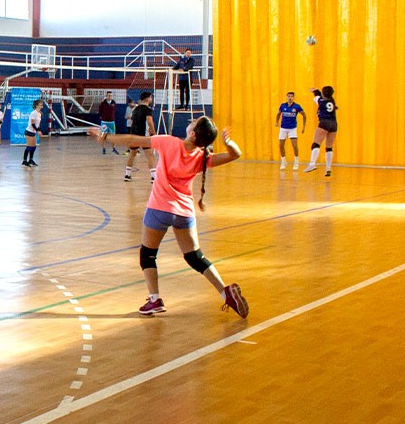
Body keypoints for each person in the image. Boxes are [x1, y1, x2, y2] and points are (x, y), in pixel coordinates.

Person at [90, 117, 248, 319]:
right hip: (184, 213)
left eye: (193, 123)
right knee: (195, 257)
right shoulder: (202, 157)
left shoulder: (169, 142)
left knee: (147, 255)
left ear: (192, 133)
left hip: (159, 209)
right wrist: (228, 143)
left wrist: (105, 137)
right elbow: (236, 154)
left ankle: (155, 299)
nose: (189, 123)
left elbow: (133, 139)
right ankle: (225, 293)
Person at [304, 86, 338, 176]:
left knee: (316, 144)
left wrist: (315, 90)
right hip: (334, 124)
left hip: (324, 122)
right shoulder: (332, 100)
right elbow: (320, 95)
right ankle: (328, 168)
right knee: (329, 147)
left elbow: (317, 95)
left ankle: (312, 164)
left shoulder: (320, 100)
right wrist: (318, 91)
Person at [125, 92, 156, 182]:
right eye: (151, 97)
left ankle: (127, 175)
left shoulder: (135, 109)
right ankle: (153, 177)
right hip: (143, 136)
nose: (151, 99)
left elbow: (131, 118)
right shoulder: (147, 109)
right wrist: (153, 133)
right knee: (150, 155)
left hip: (134, 134)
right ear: (147, 99)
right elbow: (150, 122)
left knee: (132, 154)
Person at [275, 92, 306, 170]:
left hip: (292, 128)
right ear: (286, 97)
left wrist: (303, 126)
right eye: (288, 96)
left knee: (295, 146)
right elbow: (278, 114)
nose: (290, 98)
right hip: (283, 128)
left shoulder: (297, 106)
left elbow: (304, 115)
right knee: (281, 145)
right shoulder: (283, 106)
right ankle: (283, 161)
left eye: (291, 96)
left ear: (293, 97)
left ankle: (296, 161)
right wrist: (276, 121)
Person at [22, 99, 42, 167]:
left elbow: (37, 124)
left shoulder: (39, 113)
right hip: (29, 132)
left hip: (33, 132)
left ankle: (31, 160)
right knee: (29, 147)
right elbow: (32, 124)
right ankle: (24, 161)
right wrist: (38, 131)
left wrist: (38, 130)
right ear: (36, 105)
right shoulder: (33, 113)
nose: (42, 105)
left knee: (33, 147)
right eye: (40, 104)